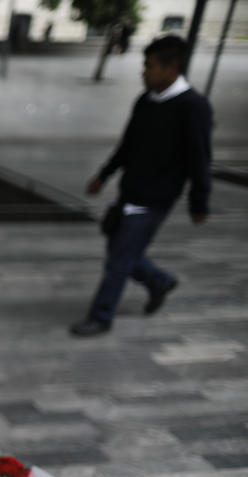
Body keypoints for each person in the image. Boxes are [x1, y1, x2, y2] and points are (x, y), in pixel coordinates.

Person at [70, 35, 212, 337]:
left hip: (156, 199)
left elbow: (200, 159)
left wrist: (199, 202)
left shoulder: (193, 107)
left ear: (171, 67)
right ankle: (158, 281)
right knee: (119, 251)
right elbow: (128, 145)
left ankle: (101, 316)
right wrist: (103, 175)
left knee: (119, 260)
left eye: (149, 66)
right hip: (130, 191)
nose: (143, 72)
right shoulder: (146, 101)